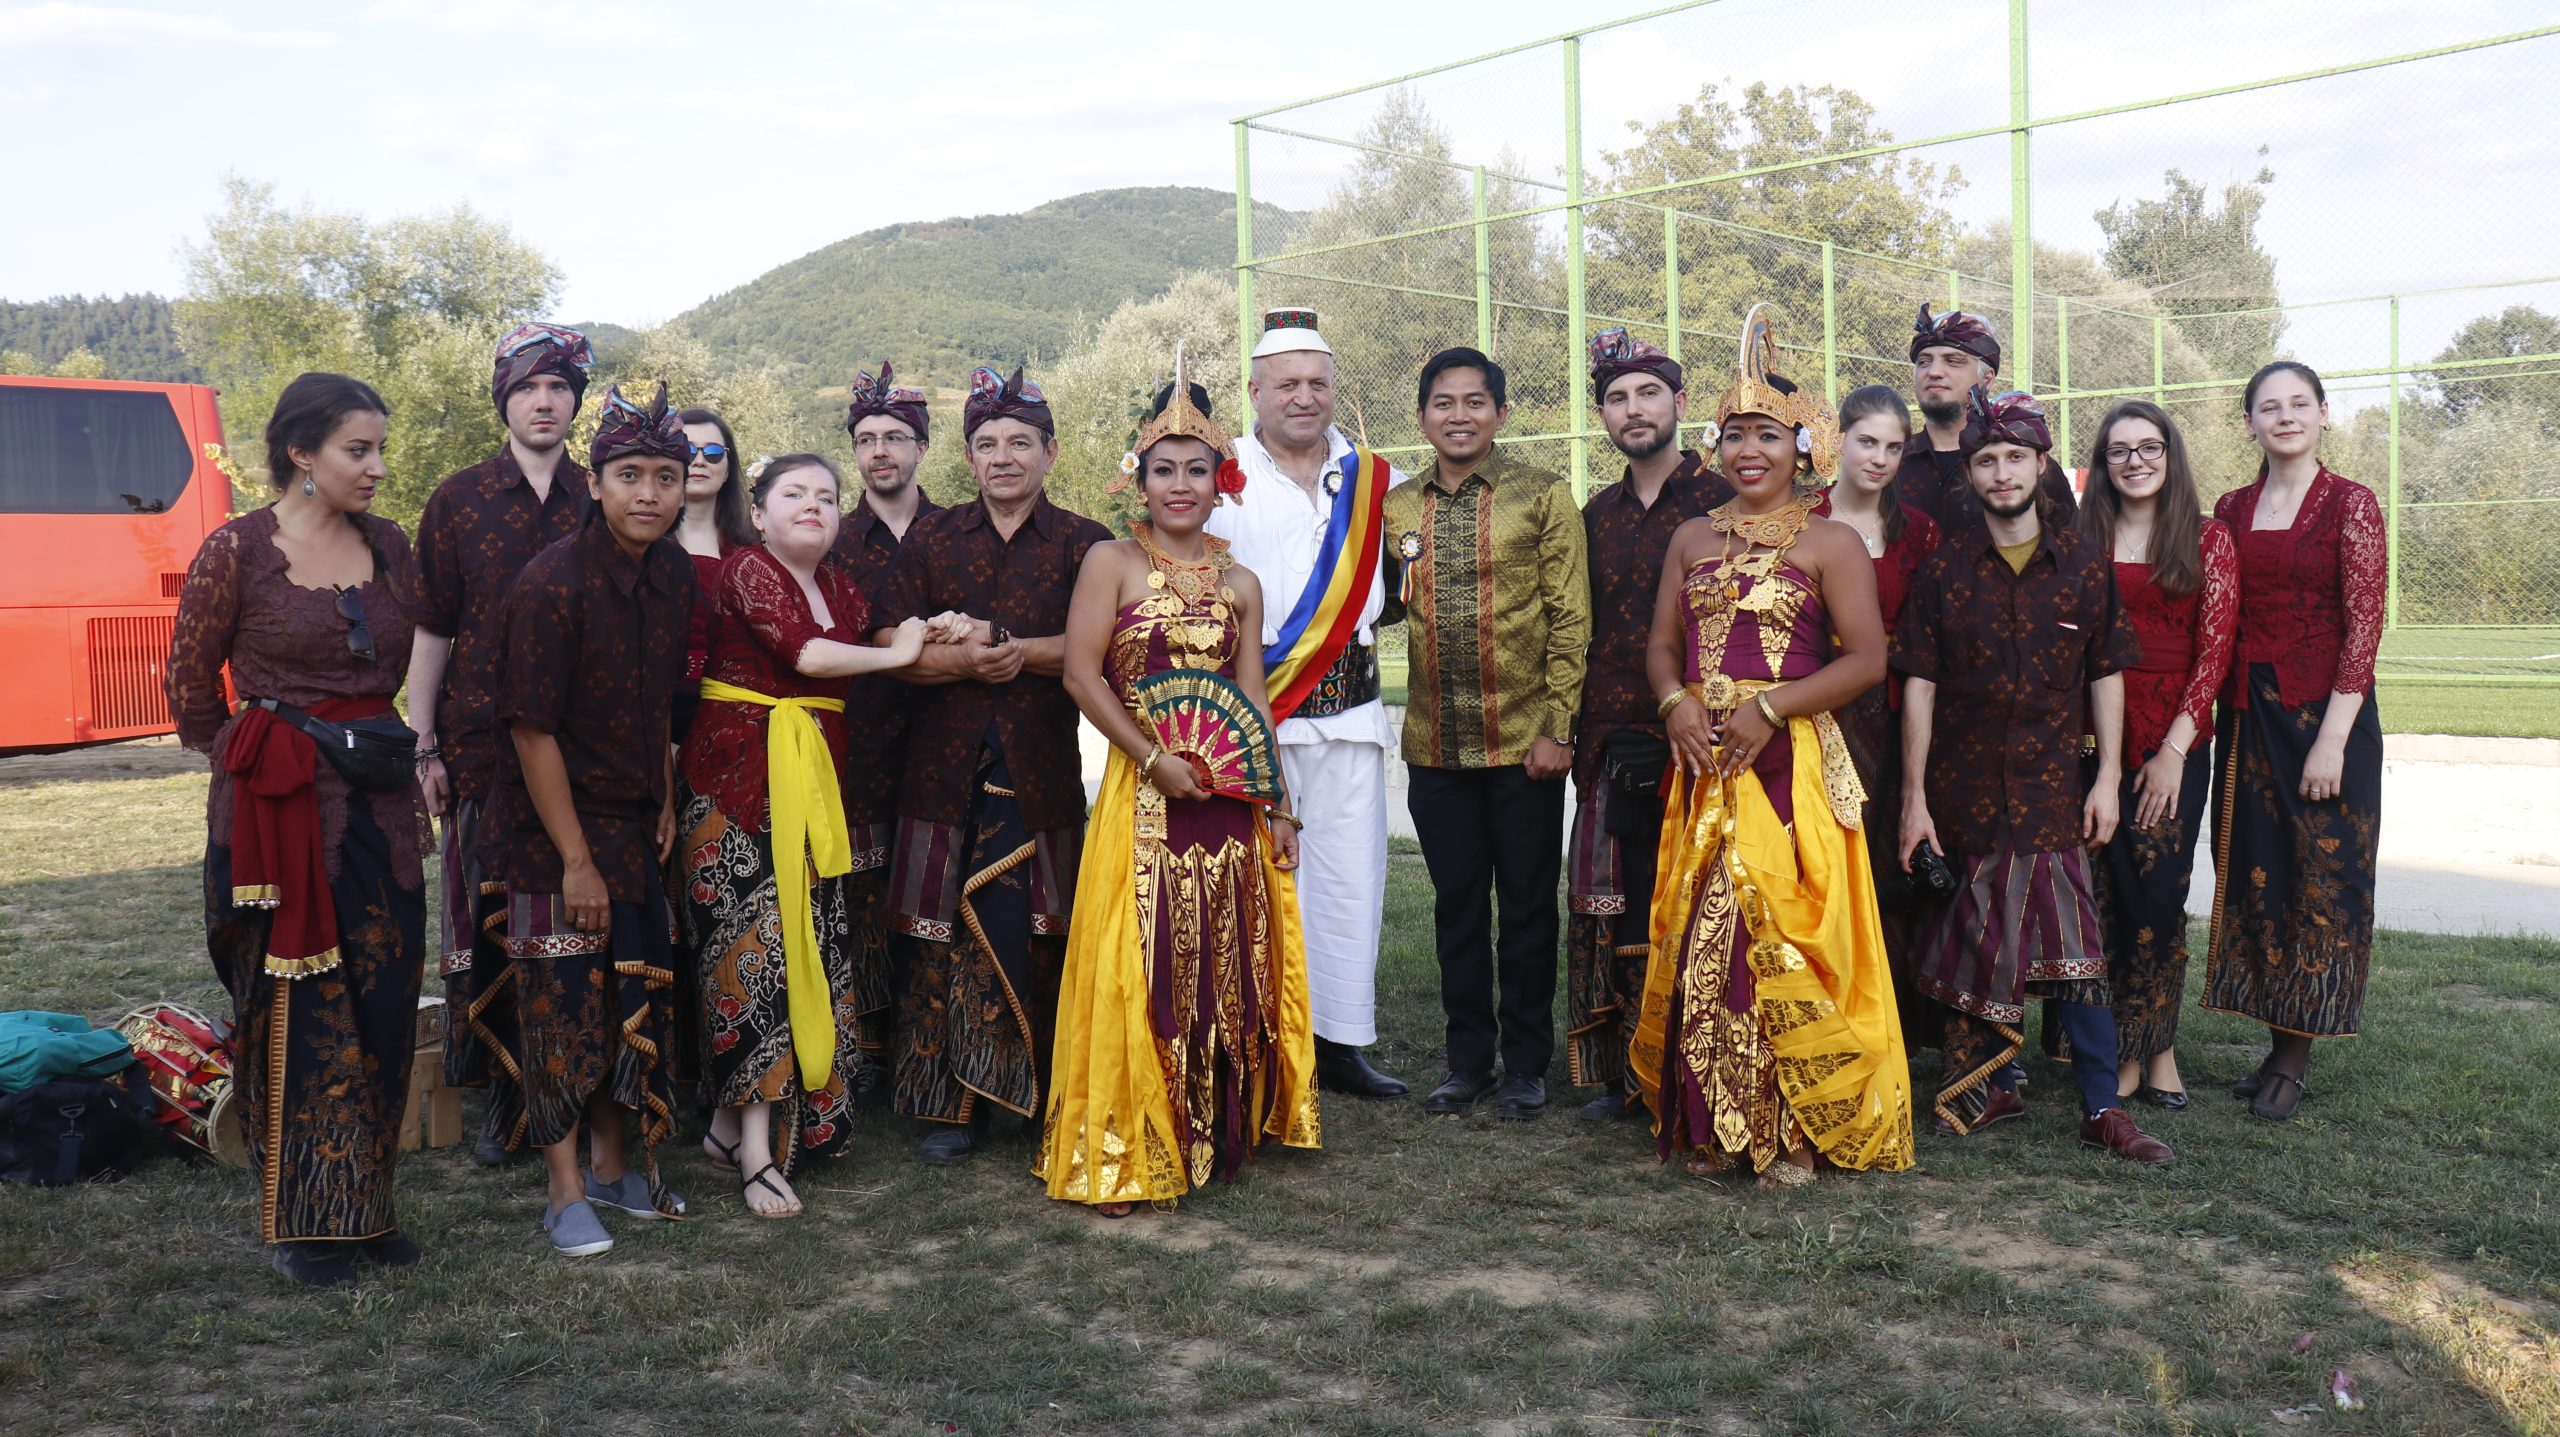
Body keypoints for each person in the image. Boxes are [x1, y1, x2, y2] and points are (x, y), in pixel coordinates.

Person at [1623, 312, 1913, 1187]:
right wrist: (1673, 701)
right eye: (1736, 434)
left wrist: (1771, 708)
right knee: (1707, 925)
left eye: (1769, 435)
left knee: (1783, 925)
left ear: (1803, 446)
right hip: (1703, 762)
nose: (1750, 451)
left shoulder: (1831, 542)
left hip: (1788, 767)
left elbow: (1867, 659)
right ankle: (1718, 1120)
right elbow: (1661, 644)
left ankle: (1794, 1128)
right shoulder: (1691, 537)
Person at [165, 372, 431, 1287]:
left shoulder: (391, 546)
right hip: (276, 818)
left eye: (380, 448)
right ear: (301, 453)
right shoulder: (235, 551)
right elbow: (191, 688)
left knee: (384, 996)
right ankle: (301, 1222)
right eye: (359, 449)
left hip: (379, 803)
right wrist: (252, 765)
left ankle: (366, 1208)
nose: (377, 466)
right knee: (296, 1006)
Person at [1040, 371, 1320, 1214]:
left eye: (1197, 469)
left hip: (1227, 799)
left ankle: (1211, 1125)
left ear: (1220, 479)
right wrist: (1151, 754)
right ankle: (1125, 1140)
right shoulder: (1112, 562)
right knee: (1145, 956)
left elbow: (1252, 701)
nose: (1180, 485)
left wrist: (1276, 804)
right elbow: (1081, 675)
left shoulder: (1241, 583)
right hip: (1146, 793)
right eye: (1163, 469)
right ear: (1140, 479)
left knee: (1223, 954)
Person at [1893, 387, 2173, 1165]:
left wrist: (2108, 777)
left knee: (2078, 951)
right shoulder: (1944, 569)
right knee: (1973, 945)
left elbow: (2107, 671)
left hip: (2052, 790)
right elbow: (1919, 682)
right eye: (1986, 459)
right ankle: (1988, 1087)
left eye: (2015, 456)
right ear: (1970, 474)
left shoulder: (2081, 562)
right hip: (1963, 792)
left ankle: (2102, 1107)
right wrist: (1914, 799)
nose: (2002, 472)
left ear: (2042, 464)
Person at [476, 383, 698, 1256]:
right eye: (630, 474)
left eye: (667, 477)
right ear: (596, 483)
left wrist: (667, 794)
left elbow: (661, 701)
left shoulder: (674, 574)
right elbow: (530, 729)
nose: (649, 493)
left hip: (634, 819)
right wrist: (575, 858)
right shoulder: (551, 582)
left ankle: (612, 1166)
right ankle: (564, 1189)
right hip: (551, 830)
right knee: (561, 1003)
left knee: (622, 996)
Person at [681, 453, 932, 1217]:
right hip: (736, 786)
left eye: (826, 495)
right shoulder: (747, 570)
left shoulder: (842, 586)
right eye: (794, 493)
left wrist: (933, 630)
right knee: (754, 957)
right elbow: (807, 653)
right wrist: (900, 652)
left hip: (811, 783)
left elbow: (876, 634)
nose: (813, 505)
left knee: (807, 947)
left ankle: (731, 1128)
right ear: (758, 513)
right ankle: (757, 1152)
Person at [875, 365, 1113, 1165]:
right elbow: (888, 639)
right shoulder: (932, 538)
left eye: (1019, 442)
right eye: (986, 443)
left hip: (1039, 768)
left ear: (1050, 452)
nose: (1002, 457)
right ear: (968, 457)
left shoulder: (1086, 542)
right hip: (939, 769)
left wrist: (1013, 649)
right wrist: (966, 661)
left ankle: (1044, 1091)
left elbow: (1107, 643)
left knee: (1043, 929)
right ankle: (953, 1106)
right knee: (935, 932)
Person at [1204, 308, 1407, 1100]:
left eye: (1318, 383)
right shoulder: (1218, 473)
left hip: (1350, 714)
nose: (1303, 396)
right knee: (1253, 880)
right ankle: (1255, 1037)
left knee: (1350, 881)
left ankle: (1340, 1041)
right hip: (1250, 712)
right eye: (1286, 383)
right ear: (1254, 391)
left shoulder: (1373, 478)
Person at [1385, 346, 1590, 1120]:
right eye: (1444, 402)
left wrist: (1558, 728)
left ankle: (1527, 1063)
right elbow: (1380, 604)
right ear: (1422, 417)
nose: (1459, 415)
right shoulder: (1397, 508)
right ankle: (1467, 1060)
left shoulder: (1541, 494)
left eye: (1475, 401)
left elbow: (1570, 618)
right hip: (1435, 746)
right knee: (1458, 908)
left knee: (1529, 907)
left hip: (1524, 744)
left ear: (1501, 413)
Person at [412, 322, 594, 1166]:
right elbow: (433, 628)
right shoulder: (458, 499)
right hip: (480, 749)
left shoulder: (603, 495)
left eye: (558, 387)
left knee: (565, 924)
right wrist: (423, 746)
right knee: (486, 927)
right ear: (504, 400)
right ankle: (504, 1098)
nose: (544, 401)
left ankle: (570, 1094)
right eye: (527, 388)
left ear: (576, 401)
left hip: (581, 752)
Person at [2206, 361, 2385, 1123]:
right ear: (2249, 422)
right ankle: (2275, 1039)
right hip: (2248, 716)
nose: (2285, 416)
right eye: (2269, 406)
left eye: (2299, 404)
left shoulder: (2351, 503)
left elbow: (2364, 625)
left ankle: (2293, 1057)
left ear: (2322, 414)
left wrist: (2332, 741)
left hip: (2324, 719)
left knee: (2320, 881)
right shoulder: (2230, 507)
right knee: (2258, 875)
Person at [1565, 329, 1732, 1120]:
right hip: (1608, 733)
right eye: (1617, 398)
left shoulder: (1723, 502)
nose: (1633, 409)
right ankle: (1626, 1076)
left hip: (1701, 736)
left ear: (1680, 403)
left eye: (1648, 394)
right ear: (1602, 414)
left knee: (1690, 903)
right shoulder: (1594, 514)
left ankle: (1691, 1069)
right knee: (1611, 907)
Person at [2077, 401, 2236, 1110]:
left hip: (2174, 735)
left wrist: (2175, 748)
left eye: (2149, 447)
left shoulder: (2208, 538)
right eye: (2119, 450)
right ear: (2103, 463)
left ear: (2171, 456)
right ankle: (2117, 1050)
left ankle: (2159, 1046)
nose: (2135, 461)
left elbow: (2215, 652)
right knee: (2103, 894)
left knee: (2159, 894)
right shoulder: (2082, 536)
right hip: (2094, 732)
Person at [1817, 385, 1943, 1044]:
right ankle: (1823, 1016)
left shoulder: (1918, 530)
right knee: (1823, 859)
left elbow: (1928, 638)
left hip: (1897, 714)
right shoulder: (1801, 517)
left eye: (1894, 448)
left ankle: (1889, 1026)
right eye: (1867, 441)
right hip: (1819, 709)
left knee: (1889, 862)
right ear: (1838, 439)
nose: (1879, 458)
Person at [830, 362, 943, 1087]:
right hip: (859, 740)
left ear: (921, 447)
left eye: (895, 437)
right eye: (866, 439)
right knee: (860, 895)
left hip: (944, 739)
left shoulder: (957, 531)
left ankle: (930, 1042)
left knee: (933, 891)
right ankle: (868, 1050)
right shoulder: (833, 539)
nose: (880, 451)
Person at [1897, 306, 2076, 533]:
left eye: (1953, 361)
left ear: (1987, 379)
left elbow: (2072, 545)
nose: (1934, 372)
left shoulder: (2025, 464)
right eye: (1924, 361)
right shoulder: (1891, 461)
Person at [671, 407, 755, 745]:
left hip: (731, 718)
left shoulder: (753, 555)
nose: (699, 460)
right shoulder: (640, 548)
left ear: (727, 468)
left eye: (714, 452)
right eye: (688, 450)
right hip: (653, 713)